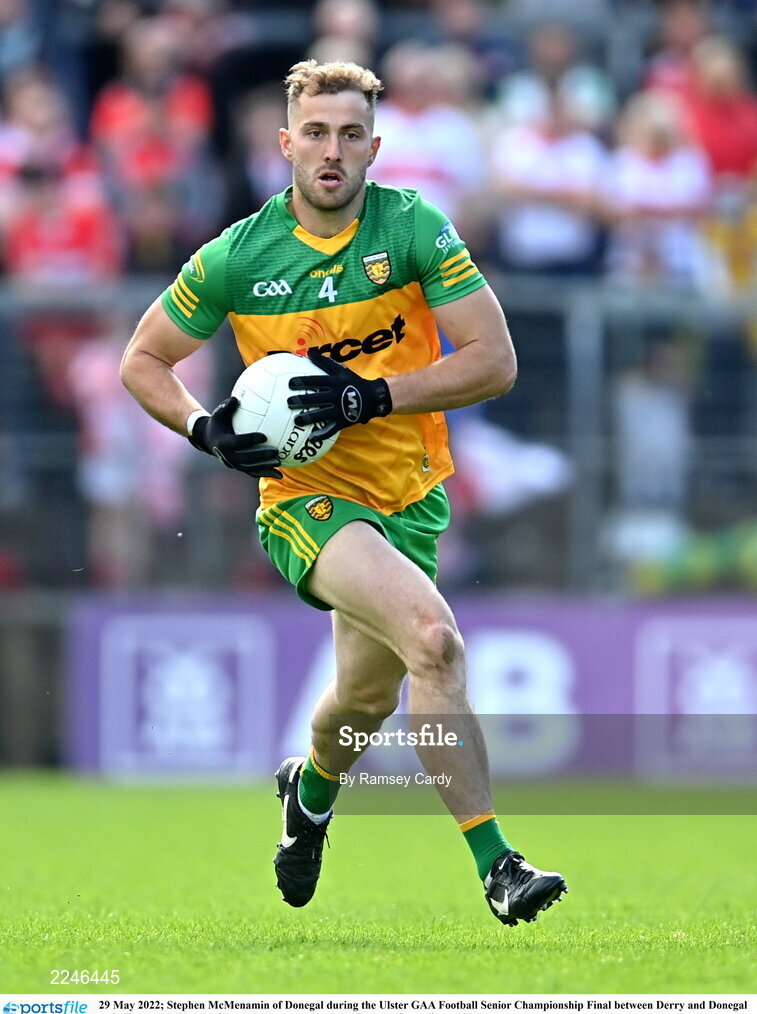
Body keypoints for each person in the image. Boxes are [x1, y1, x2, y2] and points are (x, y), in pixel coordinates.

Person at [120, 59, 567, 927]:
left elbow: (493, 360)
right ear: (285, 144)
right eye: (315, 134)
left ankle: (309, 792)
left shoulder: (411, 230)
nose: (332, 150)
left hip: (410, 493)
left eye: (349, 134)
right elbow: (142, 361)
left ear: (373, 146)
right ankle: (498, 865)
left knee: (362, 701)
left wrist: (372, 395)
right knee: (434, 643)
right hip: (305, 496)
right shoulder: (240, 255)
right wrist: (204, 429)